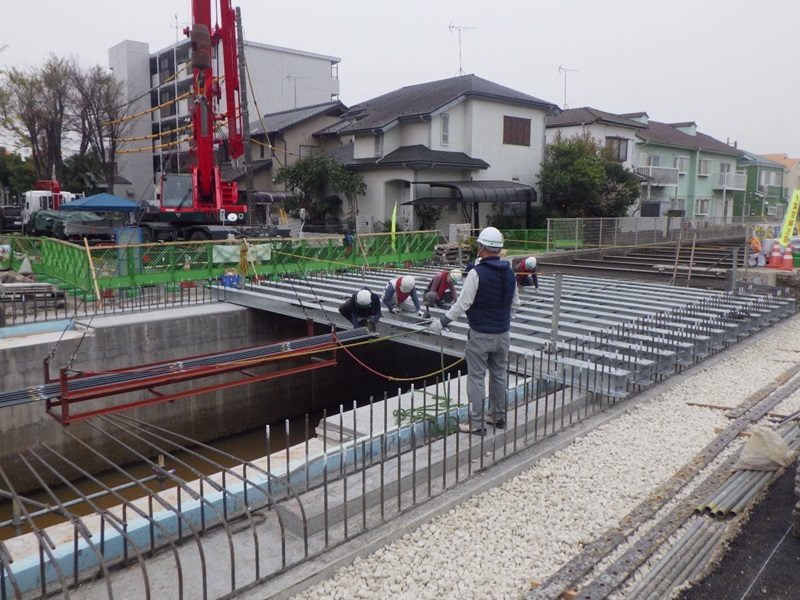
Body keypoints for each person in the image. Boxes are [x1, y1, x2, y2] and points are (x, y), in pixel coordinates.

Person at [427, 226, 520, 434]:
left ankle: (477, 425)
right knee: (499, 375)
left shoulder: (477, 273)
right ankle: (498, 418)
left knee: (476, 378)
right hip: (503, 335)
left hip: (480, 335)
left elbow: (461, 305)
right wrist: (502, 321)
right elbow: (515, 305)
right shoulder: (510, 273)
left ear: (482, 247)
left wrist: (440, 323)